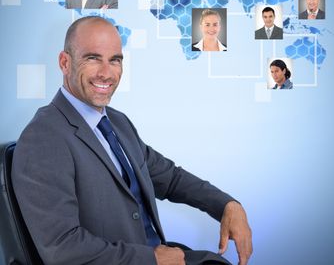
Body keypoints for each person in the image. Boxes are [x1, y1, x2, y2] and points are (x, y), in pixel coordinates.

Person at [12, 16, 252, 265]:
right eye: (93, 58)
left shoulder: (117, 122)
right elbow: (62, 249)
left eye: (115, 60)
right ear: (65, 62)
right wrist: (151, 259)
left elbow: (170, 179)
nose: (106, 73)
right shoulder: (44, 137)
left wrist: (227, 204)